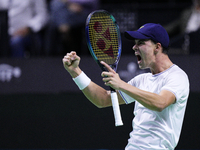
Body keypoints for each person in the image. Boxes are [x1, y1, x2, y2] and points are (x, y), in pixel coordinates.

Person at [62, 23, 190, 149]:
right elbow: (103, 100)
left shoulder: (177, 76)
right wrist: (75, 72)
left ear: (157, 47)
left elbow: (160, 103)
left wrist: (121, 84)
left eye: (140, 43)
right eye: (135, 43)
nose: (134, 47)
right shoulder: (140, 80)